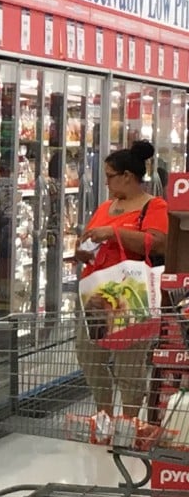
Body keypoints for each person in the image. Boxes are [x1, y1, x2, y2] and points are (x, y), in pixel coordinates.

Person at [75, 140, 168, 418]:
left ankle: (128, 420)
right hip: (97, 291)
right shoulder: (106, 207)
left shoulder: (154, 205)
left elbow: (158, 242)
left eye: (109, 176)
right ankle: (104, 414)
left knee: (130, 362)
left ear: (128, 176)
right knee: (89, 354)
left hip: (132, 292)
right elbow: (93, 238)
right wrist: (84, 250)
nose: (106, 183)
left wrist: (113, 234)